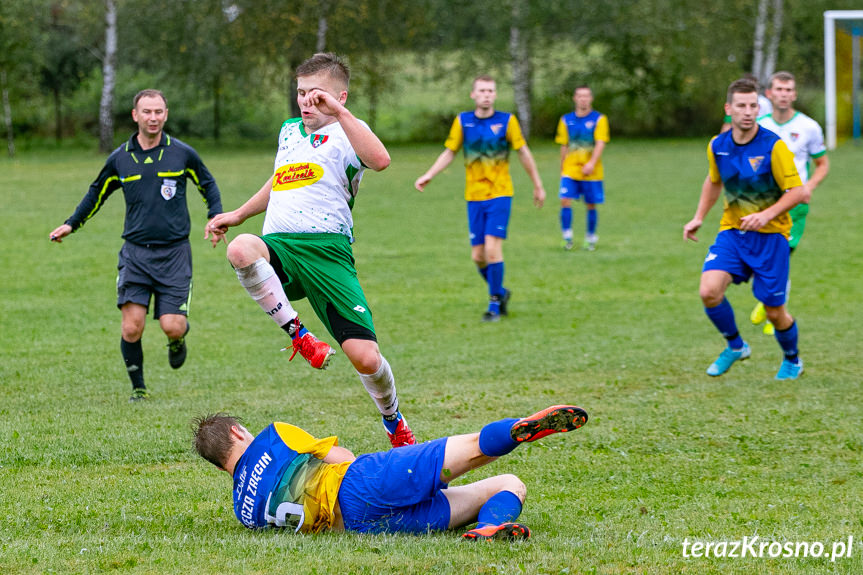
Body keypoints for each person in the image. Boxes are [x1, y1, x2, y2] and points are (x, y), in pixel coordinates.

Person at [204, 53, 415, 448]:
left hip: (329, 252)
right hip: (281, 244)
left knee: (366, 358)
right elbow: (281, 180)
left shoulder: (350, 132)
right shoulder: (289, 131)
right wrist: (238, 214)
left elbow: (381, 160)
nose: (305, 102)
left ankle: (394, 421)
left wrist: (338, 114)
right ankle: (299, 335)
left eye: (316, 95)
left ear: (340, 97)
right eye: (301, 93)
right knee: (241, 249)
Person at [49, 89, 223, 402]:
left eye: (158, 112)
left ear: (165, 115)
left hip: (174, 254)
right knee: (132, 328)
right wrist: (72, 223)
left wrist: (215, 218)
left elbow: (208, 184)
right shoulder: (120, 158)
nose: (153, 118)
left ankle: (177, 340)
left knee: (172, 325)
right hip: (135, 254)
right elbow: (96, 192)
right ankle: (138, 388)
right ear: (135, 115)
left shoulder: (182, 154)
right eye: (147, 112)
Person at [192, 404, 588, 539]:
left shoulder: (242, 511)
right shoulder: (273, 436)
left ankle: (489, 527)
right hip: (358, 486)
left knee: (507, 484)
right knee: (466, 451)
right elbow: (341, 457)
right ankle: (516, 430)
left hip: (362, 528)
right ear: (236, 431)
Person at [684, 78, 810, 380]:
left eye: (753, 106)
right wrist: (699, 215)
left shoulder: (773, 146)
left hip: (772, 238)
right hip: (733, 233)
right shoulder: (718, 145)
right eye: (741, 106)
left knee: (774, 312)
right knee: (709, 291)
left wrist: (767, 214)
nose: (748, 112)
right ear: (729, 109)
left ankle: (792, 360)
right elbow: (714, 181)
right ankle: (736, 346)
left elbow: (799, 192)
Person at [414, 75, 546, 322]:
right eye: (482, 90)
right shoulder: (463, 121)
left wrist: (538, 185)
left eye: (491, 90)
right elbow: (450, 151)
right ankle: (500, 291)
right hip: (473, 196)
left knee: (493, 249)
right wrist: (430, 174)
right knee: (478, 256)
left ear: (495, 95)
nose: (486, 94)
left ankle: (494, 304)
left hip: (500, 194)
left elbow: (524, 153)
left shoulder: (507, 121)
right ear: (473, 95)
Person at [750, 71, 829, 335]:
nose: (784, 94)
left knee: (782, 254)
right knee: (762, 256)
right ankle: (769, 300)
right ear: (769, 94)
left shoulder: (809, 127)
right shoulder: (758, 125)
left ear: (794, 95)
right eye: (779, 89)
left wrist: (808, 187)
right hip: (763, 202)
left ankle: (774, 308)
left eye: (789, 90)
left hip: (795, 203)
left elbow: (822, 164)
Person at [555, 85, 610, 251]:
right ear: (575, 98)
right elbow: (564, 145)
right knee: (565, 200)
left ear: (591, 98)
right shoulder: (566, 120)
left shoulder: (599, 119)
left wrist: (592, 163)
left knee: (591, 204)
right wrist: (562, 167)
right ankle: (567, 237)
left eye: (586, 96)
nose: (583, 99)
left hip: (591, 171)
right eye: (580, 96)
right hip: (571, 169)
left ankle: (590, 237)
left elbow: (600, 143)